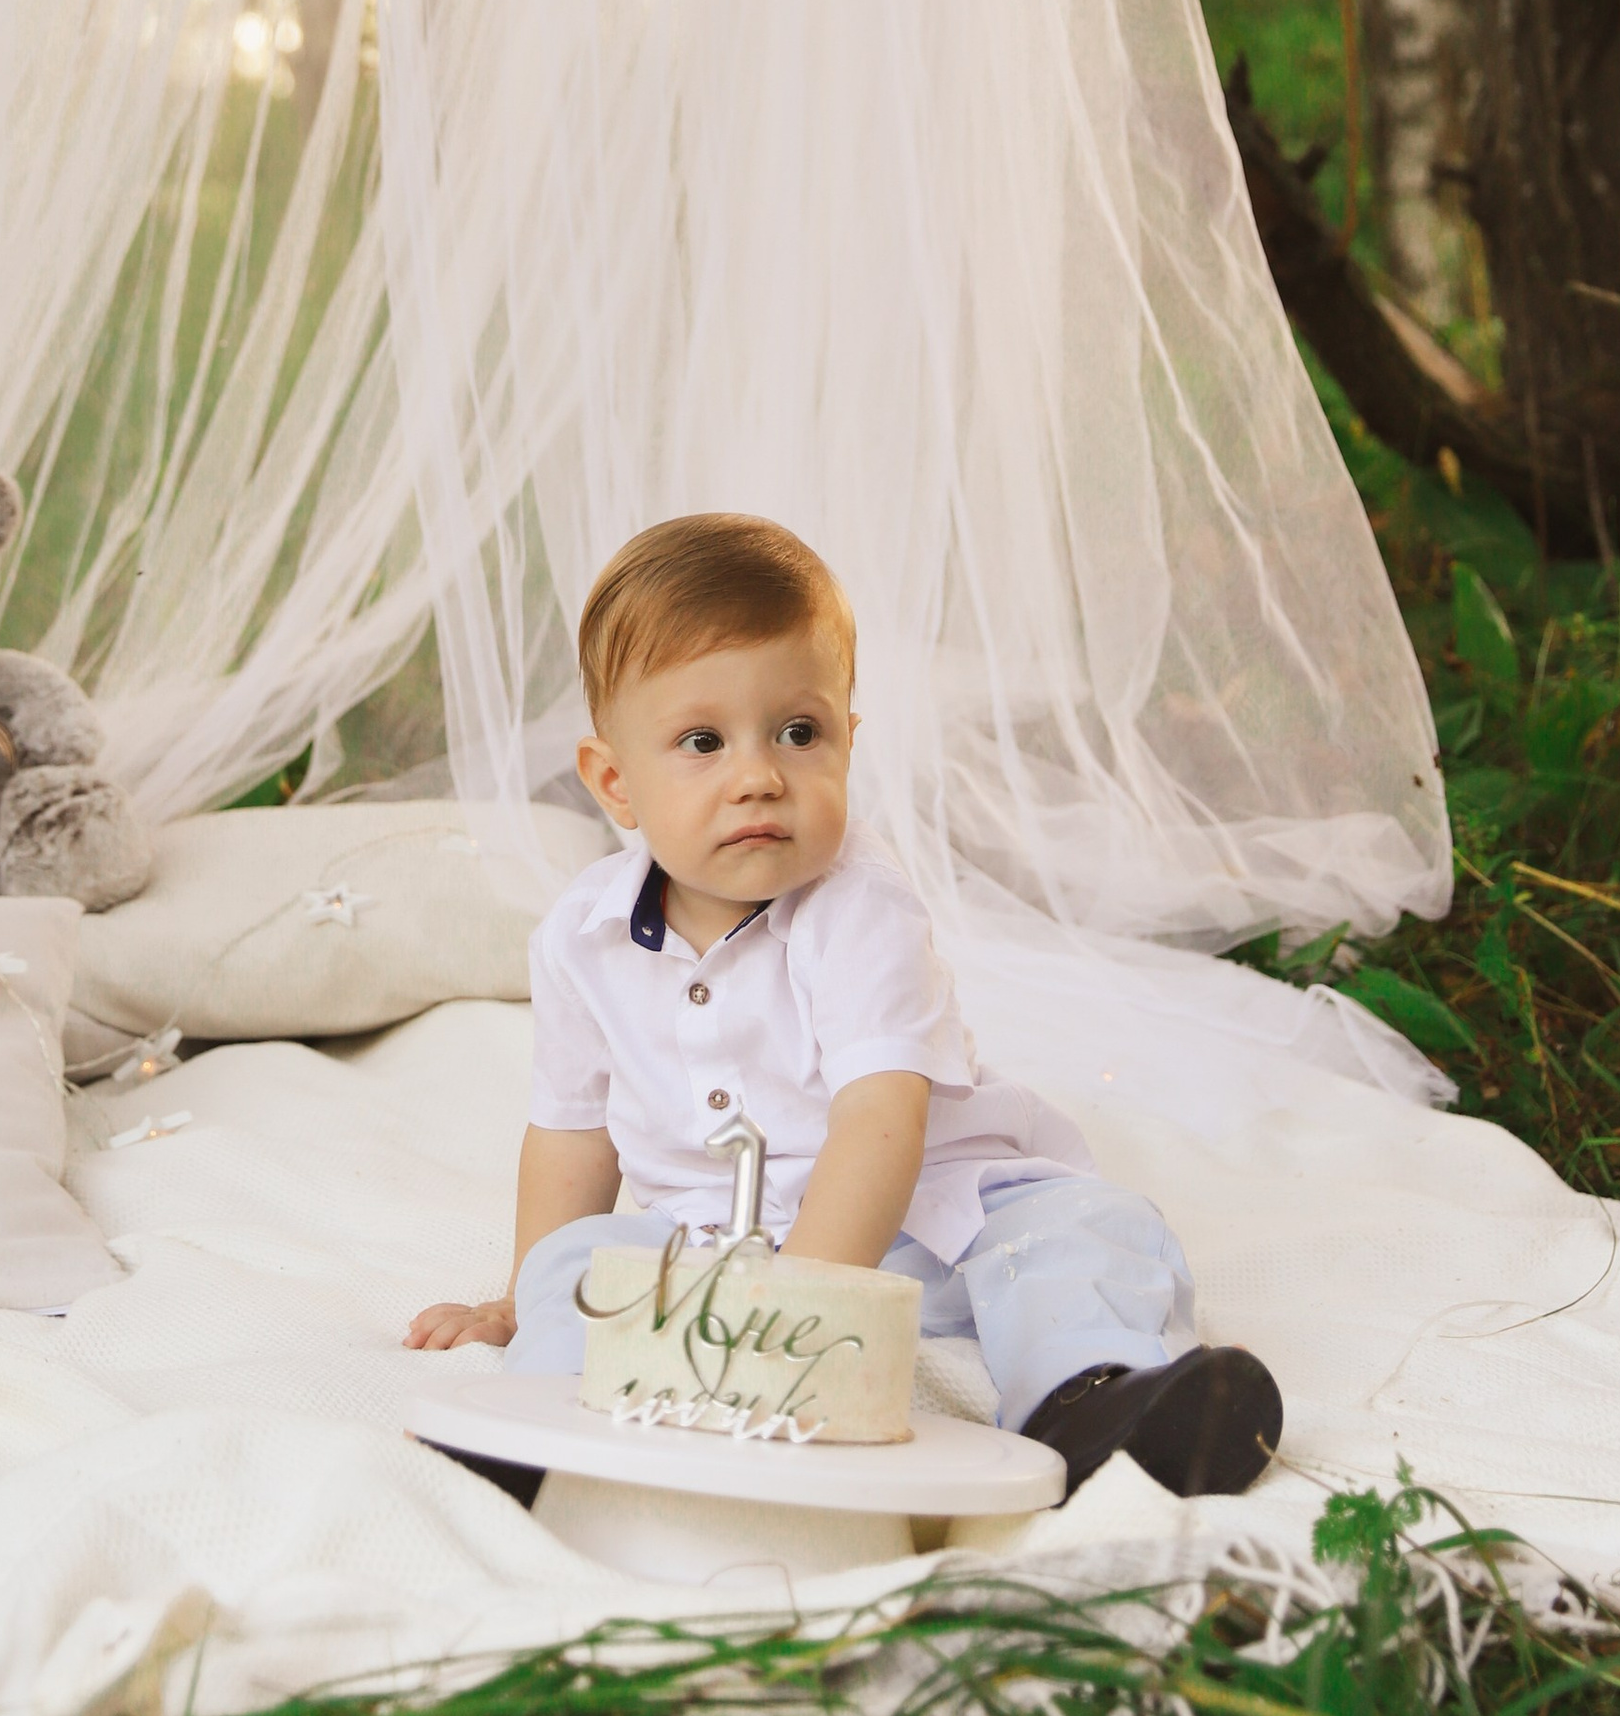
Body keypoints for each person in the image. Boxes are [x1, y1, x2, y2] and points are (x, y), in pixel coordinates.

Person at [407, 512, 1283, 1502]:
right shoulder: (581, 935)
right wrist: (524, 1297)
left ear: (847, 742)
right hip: (712, 1241)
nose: (759, 776)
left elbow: (880, 1120)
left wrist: (805, 1319)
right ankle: (551, 1432)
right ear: (616, 782)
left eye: (800, 732)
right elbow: (569, 1134)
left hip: (923, 1223)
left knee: (1078, 1230)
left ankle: (1089, 1399)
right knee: (580, 1263)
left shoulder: (857, 904)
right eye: (702, 741)